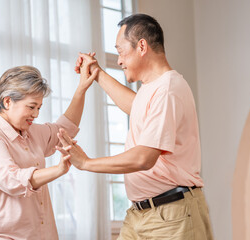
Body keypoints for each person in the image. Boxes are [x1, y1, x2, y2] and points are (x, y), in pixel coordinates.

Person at [58, 13, 214, 239]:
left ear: (142, 46)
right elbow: (135, 106)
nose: (119, 60)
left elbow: (144, 157)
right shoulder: (153, 88)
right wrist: (98, 73)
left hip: (171, 214)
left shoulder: (168, 89)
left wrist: (86, 163)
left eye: (120, 51)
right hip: (141, 214)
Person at [0, 62, 98, 239]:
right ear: (8, 101)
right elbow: (13, 180)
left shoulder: (30, 132)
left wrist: (81, 89)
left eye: (39, 108)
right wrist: (58, 169)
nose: (36, 114)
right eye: (31, 107)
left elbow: (64, 128)